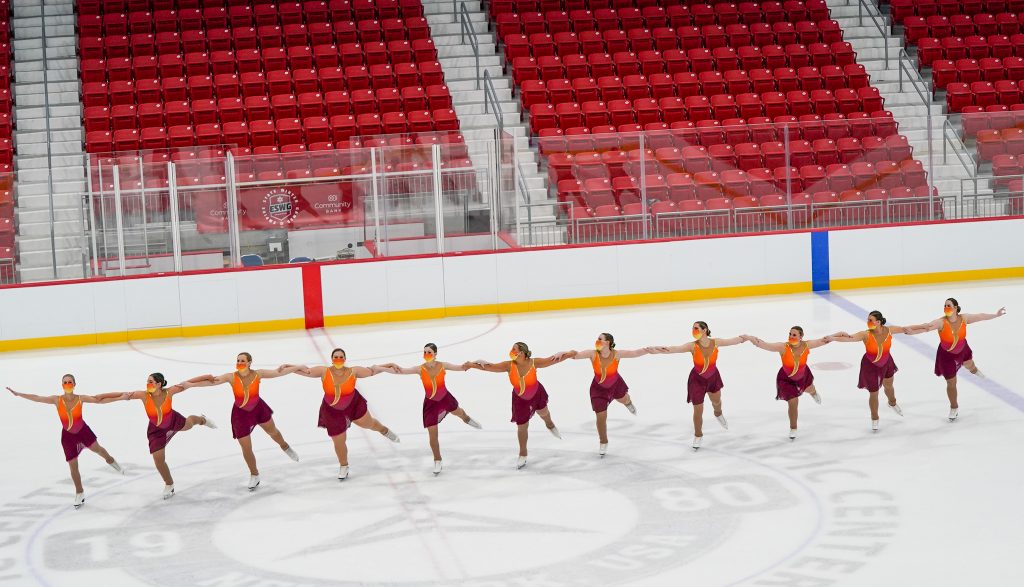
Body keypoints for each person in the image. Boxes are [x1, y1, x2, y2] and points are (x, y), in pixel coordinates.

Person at [186, 353, 303, 490]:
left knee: (273, 432)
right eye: (238, 360)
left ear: (249, 363)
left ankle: (285, 446)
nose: (239, 362)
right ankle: (254, 474)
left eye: (242, 360)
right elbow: (211, 382)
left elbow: (278, 373)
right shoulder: (231, 377)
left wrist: (298, 367)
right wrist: (191, 385)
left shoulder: (258, 374)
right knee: (246, 448)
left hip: (258, 409)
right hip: (240, 415)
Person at [7, 375, 124, 508]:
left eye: (70, 382)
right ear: (62, 385)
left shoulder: (81, 398)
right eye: (65, 382)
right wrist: (19, 394)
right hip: (68, 437)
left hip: (83, 432)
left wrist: (121, 397)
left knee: (98, 450)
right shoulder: (56, 400)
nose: (68, 384)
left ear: (74, 384)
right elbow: (37, 398)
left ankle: (111, 460)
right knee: (73, 466)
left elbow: (99, 400)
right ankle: (79, 492)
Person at [98, 373, 216, 499]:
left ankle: (202, 420)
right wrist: (101, 397)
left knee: (189, 425)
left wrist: (207, 376)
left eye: (151, 382)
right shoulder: (143, 395)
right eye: (147, 381)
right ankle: (169, 484)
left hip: (173, 420)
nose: (148, 384)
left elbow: (188, 383)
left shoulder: (170, 392)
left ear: (159, 384)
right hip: (156, 430)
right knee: (158, 459)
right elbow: (121, 394)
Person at [290, 348, 399, 480]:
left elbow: (372, 370)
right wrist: (291, 367)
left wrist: (388, 365)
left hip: (353, 405)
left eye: (341, 357)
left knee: (368, 424)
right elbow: (304, 371)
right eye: (335, 357)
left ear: (345, 359)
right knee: (339, 440)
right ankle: (344, 465)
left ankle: (384, 430)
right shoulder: (324, 371)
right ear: (331, 359)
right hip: (332, 411)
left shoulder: (353, 371)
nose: (338, 359)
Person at [467, 343, 575, 469]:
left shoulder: (534, 362)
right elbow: (489, 367)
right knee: (522, 426)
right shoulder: (508, 365)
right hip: (520, 400)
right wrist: (471, 365)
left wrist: (570, 353)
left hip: (536, 393)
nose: (511, 351)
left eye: (514, 349)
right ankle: (523, 453)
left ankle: (550, 425)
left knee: (544, 413)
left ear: (522, 353)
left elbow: (553, 360)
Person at [381, 343, 482, 475]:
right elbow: (401, 371)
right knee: (433, 435)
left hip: (445, 398)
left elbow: (462, 367)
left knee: (459, 413)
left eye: (429, 352)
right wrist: (383, 368)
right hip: (431, 404)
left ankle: (467, 419)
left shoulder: (443, 365)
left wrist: (473, 363)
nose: (426, 354)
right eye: (425, 352)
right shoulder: (419, 369)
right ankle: (437, 460)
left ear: (435, 354)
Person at [905, 298, 1007, 421]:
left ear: (955, 308)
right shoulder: (941, 322)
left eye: (948, 305)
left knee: (969, 364)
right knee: (951, 383)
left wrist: (996, 315)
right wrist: (912, 332)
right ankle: (954, 407)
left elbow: (980, 316)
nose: (946, 308)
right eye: (945, 305)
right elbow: (926, 327)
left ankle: (974, 370)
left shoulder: (964, 318)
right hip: (946, 355)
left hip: (962, 349)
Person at [650, 322, 747, 449]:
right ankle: (698, 435)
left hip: (713, 377)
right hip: (697, 381)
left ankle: (718, 413)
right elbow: (674, 349)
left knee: (717, 402)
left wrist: (746, 338)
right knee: (698, 410)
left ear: (704, 330)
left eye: (696, 328)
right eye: (692, 328)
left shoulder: (716, 342)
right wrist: (657, 350)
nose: (693, 331)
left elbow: (732, 341)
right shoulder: (692, 346)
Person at [824, 311, 912, 431]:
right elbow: (849, 338)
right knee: (874, 393)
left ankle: (892, 403)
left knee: (889, 386)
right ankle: (874, 418)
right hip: (871, 366)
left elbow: (905, 328)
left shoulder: (889, 330)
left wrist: (925, 326)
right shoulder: (865, 334)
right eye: (868, 320)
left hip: (887, 362)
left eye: (870, 320)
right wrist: (833, 338)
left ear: (878, 322)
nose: (868, 322)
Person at [569, 333, 653, 456]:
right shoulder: (593, 354)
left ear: (607, 342)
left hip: (615, 385)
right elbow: (576, 355)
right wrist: (568, 353)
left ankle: (628, 403)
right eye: (597, 338)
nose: (597, 341)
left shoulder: (617, 354)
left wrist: (648, 350)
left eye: (600, 339)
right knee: (601, 417)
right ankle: (603, 441)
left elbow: (634, 353)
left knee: (624, 399)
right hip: (598, 389)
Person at [744, 327, 830, 440]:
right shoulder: (783, 347)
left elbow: (824, 340)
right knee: (793, 402)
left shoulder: (806, 345)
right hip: (786, 379)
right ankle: (793, 428)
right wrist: (751, 338)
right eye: (790, 334)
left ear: (801, 337)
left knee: (809, 388)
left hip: (802, 375)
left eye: (794, 335)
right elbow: (765, 345)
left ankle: (813, 393)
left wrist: (837, 336)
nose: (791, 336)